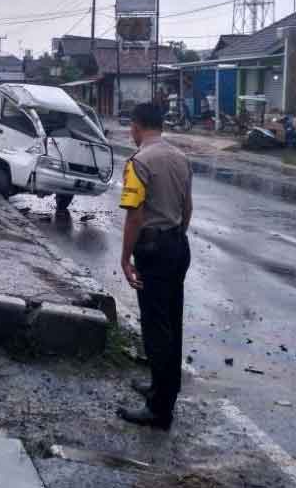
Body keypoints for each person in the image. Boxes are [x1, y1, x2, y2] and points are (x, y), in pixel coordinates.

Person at [117, 102, 193, 430]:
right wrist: (175, 237)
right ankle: (163, 388)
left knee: (156, 328)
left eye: (130, 127)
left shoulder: (138, 162)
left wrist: (125, 258)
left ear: (136, 126)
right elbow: (187, 207)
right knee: (171, 324)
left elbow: (134, 215)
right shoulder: (180, 157)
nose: (130, 132)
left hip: (154, 249)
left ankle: (160, 410)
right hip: (178, 245)